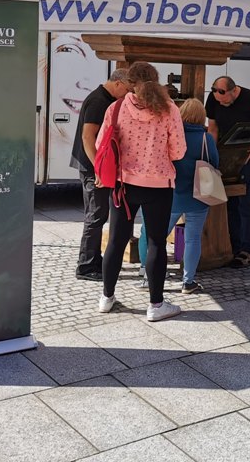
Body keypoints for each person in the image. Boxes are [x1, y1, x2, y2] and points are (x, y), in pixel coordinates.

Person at [96, 62, 186, 322]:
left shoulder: (116, 108)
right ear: (156, 81)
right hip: (158, 185)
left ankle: (106, 297)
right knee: (157, 242)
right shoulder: (169, 109)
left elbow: (103, 143)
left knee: (116, 240)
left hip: (124, 184)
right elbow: (178, 152)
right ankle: (156, 305)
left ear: (130, 82)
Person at [71, 67, 131, 281]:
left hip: (94, 166)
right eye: (126, 89)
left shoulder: (103, 98)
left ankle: (94, 260)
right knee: (95, 216)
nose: (127, 95)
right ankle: (86, 266)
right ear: (117, 83)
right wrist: (98, 168)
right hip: (92, 168)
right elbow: (88, 137)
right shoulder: (98, 101)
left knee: (98, 215)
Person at [206, 76, 250, 268]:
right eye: (218, 100)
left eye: (224, 99)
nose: (221, 103)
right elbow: (213, 128)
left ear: (234, 91)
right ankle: (233, 247)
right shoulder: (213, 99)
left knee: (247, 203)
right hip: (226, 156)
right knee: (230, 202)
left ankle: (247, 250)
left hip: (249, 157)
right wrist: (213, 155)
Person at [159, 98, 217, 294]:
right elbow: (214, 163)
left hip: (172, 194)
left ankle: (151, 275)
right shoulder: (206, 138)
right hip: (199, 195)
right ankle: (188, 281)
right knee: (193, 239)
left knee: (158, 237)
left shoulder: (172, 134)